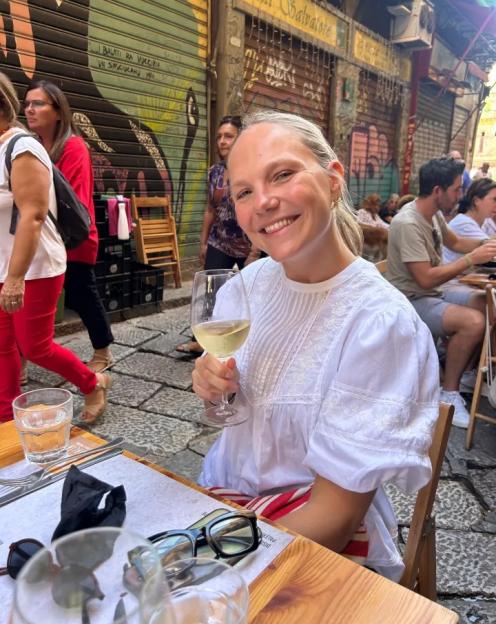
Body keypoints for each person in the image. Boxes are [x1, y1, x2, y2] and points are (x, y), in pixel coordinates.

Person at [192, 111, 440, 581]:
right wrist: (212, 384)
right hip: (222, 496)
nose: (263, 201)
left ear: (333, 180)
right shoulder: (244, 288)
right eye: (244, 191)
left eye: (283, 174)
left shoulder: (378, 323)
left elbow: (335, 517)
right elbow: (238, 407)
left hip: (308, 537)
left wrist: (212, 569)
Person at [0, 72, 110, 424]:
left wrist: (15, 278)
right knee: (2, 346)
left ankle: (92, 383)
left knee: (35, 346)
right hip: (3, 263)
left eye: (39, 103)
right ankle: (6, 411)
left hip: (34, 265)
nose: (33, 109)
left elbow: (32, 215)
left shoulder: (22, 147)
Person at [386, 157, 496, 427]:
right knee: (473, 322)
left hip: (432, 293)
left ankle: (463, 372)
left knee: (485, 302)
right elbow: (424, 279)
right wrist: (473, 259)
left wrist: (487, 244)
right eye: (457, 189)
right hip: (410, 300)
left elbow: (456, 241)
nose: (461, 195)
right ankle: (448, 394)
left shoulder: (432, 213)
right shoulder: (408, 223)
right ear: (438, 191)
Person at [24, 80, 114, 374]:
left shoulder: (74, 147)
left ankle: (102, 350)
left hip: (73, 239)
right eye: (26, 104)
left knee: (82, 294)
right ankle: (18, 359)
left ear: (59, 111)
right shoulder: (32, 146)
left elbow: (74, 202)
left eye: (38, 103)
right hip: (39, 236)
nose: (29, 109)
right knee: (25, 299)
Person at [177, 115, 256, 355]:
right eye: (219, 136)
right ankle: (201, 340)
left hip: (248, 244)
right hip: (219, 241)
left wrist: (255, 251)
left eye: (229, 136)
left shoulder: (252, 170)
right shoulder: (213, 172)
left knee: (252, 292)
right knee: (210, 290)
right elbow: (210, 209)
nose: (222, 141)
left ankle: (250, 342)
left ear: (240, 138)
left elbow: (256, 209)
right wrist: (203, 242)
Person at [443, 178, 496, 263]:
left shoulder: (486, 221)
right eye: (494, 200)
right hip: (452, 275)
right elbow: (491, 249)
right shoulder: (464, 223)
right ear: (476, 201)